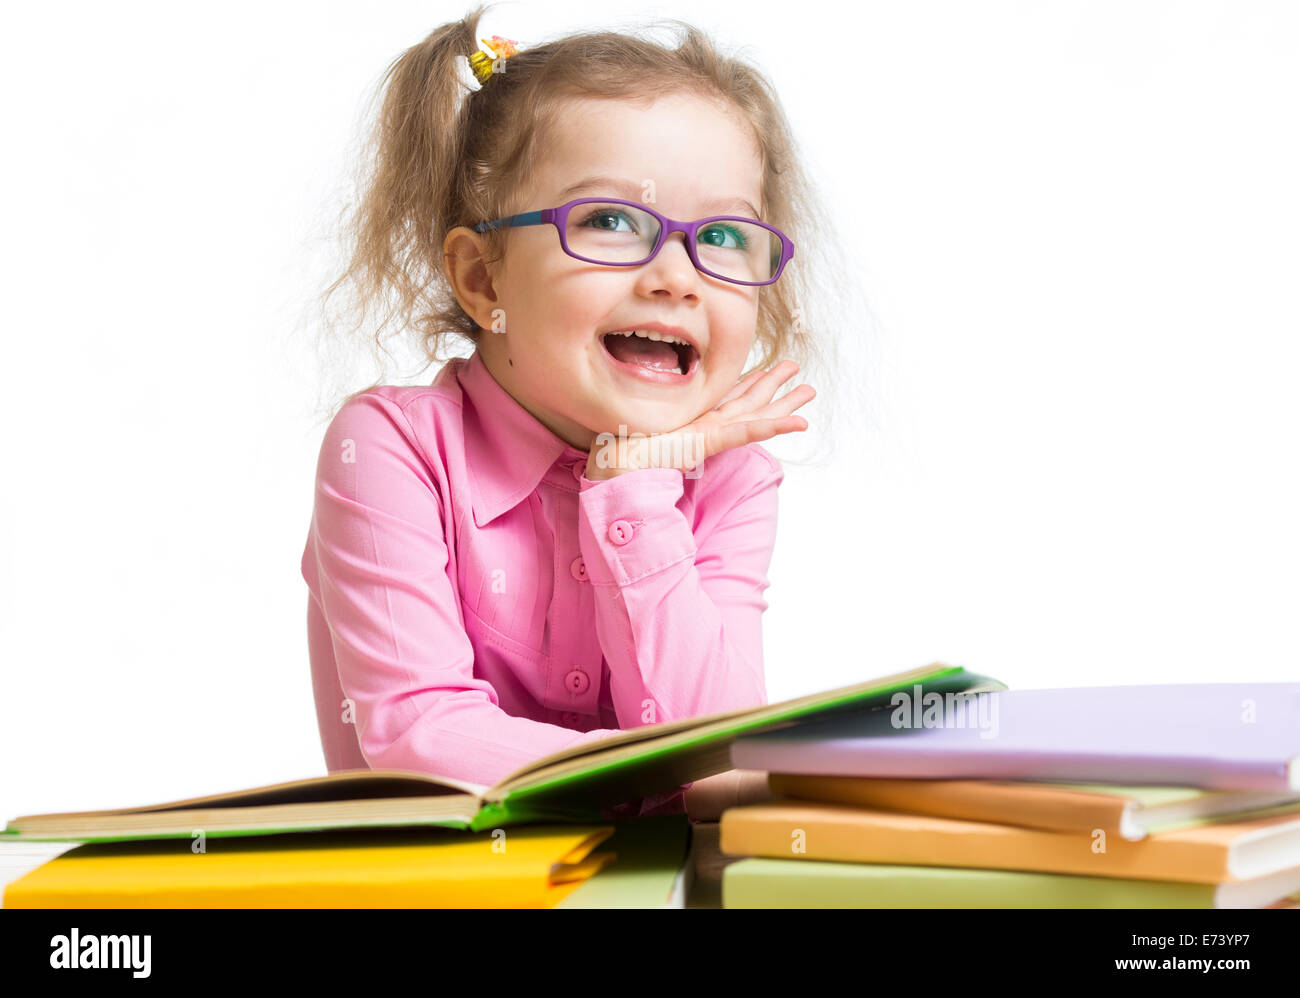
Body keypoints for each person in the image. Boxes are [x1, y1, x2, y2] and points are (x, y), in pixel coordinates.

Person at [301, 3, 841, 820]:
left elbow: (725, 758)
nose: (678, 277)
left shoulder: (731, 480)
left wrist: (633, 488)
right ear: (485, 280)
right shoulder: (391, 448)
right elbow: (420, 735)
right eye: (612, 221)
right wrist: (672, 782)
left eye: (725, 236)